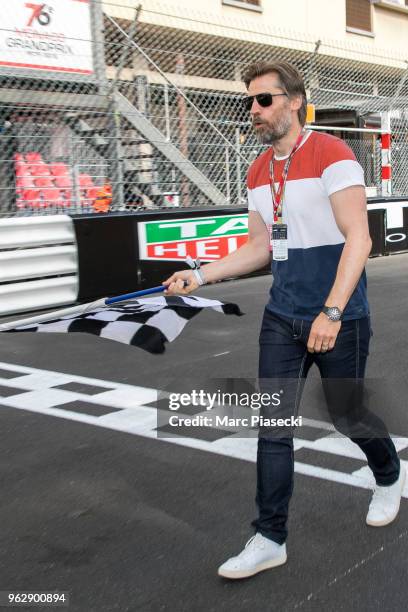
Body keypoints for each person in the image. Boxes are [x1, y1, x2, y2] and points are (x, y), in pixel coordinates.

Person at [163, 60, 405, 580]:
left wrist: (332, 312)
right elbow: (257, 248)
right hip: (282, 317)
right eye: (248, 101)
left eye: (263, 99)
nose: (254, 109)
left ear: (294, 101)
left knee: (348, 416)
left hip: (339, 315)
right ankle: (270, 537)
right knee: (272, 427)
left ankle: (389, 473)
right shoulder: (256, 171)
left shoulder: (333, 155)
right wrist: (200, 276)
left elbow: (359, 239)